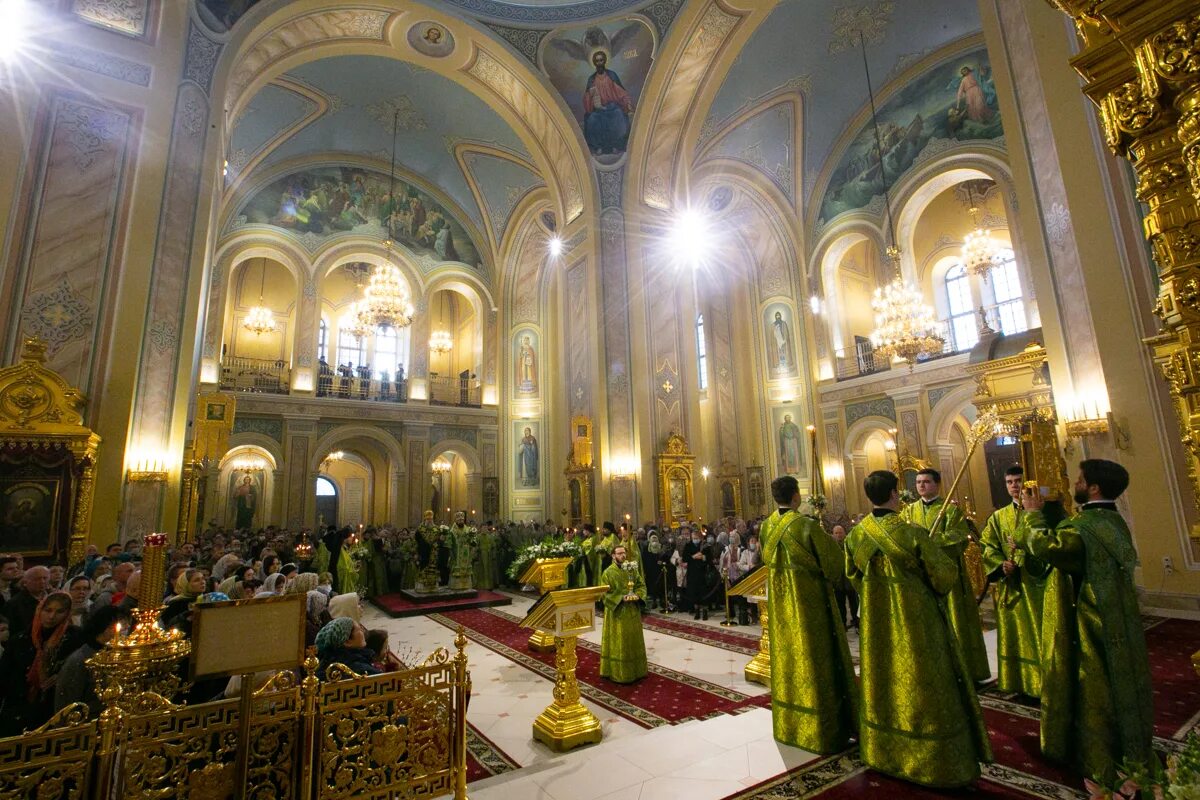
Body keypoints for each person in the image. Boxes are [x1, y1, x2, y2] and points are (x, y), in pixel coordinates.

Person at [846, 470, 992, 788]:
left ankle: (883, 748)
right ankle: (928, 754)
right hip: (916, 619)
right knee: (922, 676)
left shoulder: (857, 534)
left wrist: (876, 593)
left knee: (884, 675)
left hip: (877, 619)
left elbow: (852, 575)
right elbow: (942, 577)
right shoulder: (912, 533)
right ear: (896, 495)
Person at [1020, 460, 1153, 782]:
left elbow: (1044, 546)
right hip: (1119, 617)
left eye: (1079, 481)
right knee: (1122, 684)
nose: (1074, 484)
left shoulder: (1083, 527)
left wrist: (1033, 514)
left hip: (1091, 620)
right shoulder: (1113, 522)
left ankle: (1099, 758)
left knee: (1093, 687)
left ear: (1093, 488)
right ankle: (1131, 748)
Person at [760, 476, 857, 753]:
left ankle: (790, 723)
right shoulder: (805, 526)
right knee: (816, 659)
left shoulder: (767, 526)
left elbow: (766, 559)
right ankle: (821, 728)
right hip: (809, 604)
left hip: (780, 604)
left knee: (789, 657)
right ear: (795, 497)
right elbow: (834, 564)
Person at [900, 468, 990, 683]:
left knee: (954, 621)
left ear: (937, 485)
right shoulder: (909, 511)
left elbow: (959, 539)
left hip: (949, 578)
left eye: (926, 482)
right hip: (922, 577)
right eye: (919, 482)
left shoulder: (950, 511)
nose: (921, 485)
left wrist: (929, 543)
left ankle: (963, 670)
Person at [980, 465, 1049, 697]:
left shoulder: (1043, 512)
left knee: (1041, 631)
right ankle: (1020, 680)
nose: (1014, 486)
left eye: (1018, 481)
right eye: (1009, 482)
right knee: (1016, 633)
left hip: (1039, 584)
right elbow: (988, 546)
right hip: (1012, 585)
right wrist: (1001, 564)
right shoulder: (999, 517)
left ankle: (1046, 680)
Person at [0, 591, 76, 733]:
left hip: (52, 708)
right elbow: (4, 675)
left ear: (67, 613)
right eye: (48, 610)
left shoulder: (73, 639)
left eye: (59, 611)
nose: (52, 616)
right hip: (19, 704)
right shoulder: (21, 639)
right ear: (40, 609)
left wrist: (61, 675)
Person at [54, 605, 129, 716]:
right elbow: (67, 703)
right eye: (123, 626)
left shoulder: (120, 654)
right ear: (105, 628)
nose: (126, 630)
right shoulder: (81, 659)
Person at [598, 545, 647, 684]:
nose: (623, 556)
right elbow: (604, 593)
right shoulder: (608, 573)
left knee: (632, 638)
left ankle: (637, 670)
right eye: (619, 553)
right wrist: (620, 598)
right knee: (620, 641)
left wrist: (638, 595)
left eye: (624, 553)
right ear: (613, 556)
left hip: (632, 611)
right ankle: (616, 672)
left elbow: (641, 585)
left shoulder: (632, 568)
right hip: (617, 613)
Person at [582, 50, 634, 155]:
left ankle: (616, 145)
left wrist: (627, 103)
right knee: (592, 119)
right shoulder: (591, 79)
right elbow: (586, 100)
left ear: (604, 61)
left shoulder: (611, 75)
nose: (599, 63)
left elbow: (621, 92)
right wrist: (590, 95)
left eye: (601, 60)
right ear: (594, 63)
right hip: (598, 110)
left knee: (618, 115)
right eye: (597, 61)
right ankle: (598, 147)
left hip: (612, 107)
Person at [315, 618, 380, 679]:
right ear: (347, 642)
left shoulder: (322, 666)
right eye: (359, 629)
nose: (363, 631)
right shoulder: (360, 669)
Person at [827, 525, 858, 629]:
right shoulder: (830, 547)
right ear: (833, 534)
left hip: (849, 580)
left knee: (853, 603)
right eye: (836, 533)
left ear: (844, 533)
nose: (838, 535)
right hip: (838, 581)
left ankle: (856, 622)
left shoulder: (849, 543)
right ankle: (842, 624)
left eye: (840, 532)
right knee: (840, 604)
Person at [682, 526, 710, 619]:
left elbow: (710, 557)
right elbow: (685, 558)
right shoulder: (688, 545)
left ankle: (705, 611)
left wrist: (703, 557)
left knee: (703, 592)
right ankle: (697, 610)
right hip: (692, 572)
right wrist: (693, 557)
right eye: (693, 538)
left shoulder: (704, 545)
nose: (695, 540)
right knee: (694, 592)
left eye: (697, 538)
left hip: (703, 572)